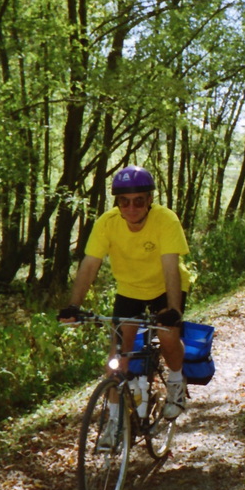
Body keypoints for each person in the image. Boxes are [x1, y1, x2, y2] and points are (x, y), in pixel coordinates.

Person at [58, 165, 192, 431]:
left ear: (149, 200)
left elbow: (170, 267)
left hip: (164, 286)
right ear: (117, 203)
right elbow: (89, 265)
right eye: (124, 201)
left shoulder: (165, 220)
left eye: (139, 201)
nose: (132, 208)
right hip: (130, 289)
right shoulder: (107, 223)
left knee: (167, 335)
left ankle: (176, 382)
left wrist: (173, 309)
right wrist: (74, 305)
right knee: (116, 360)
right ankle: (114, 419)